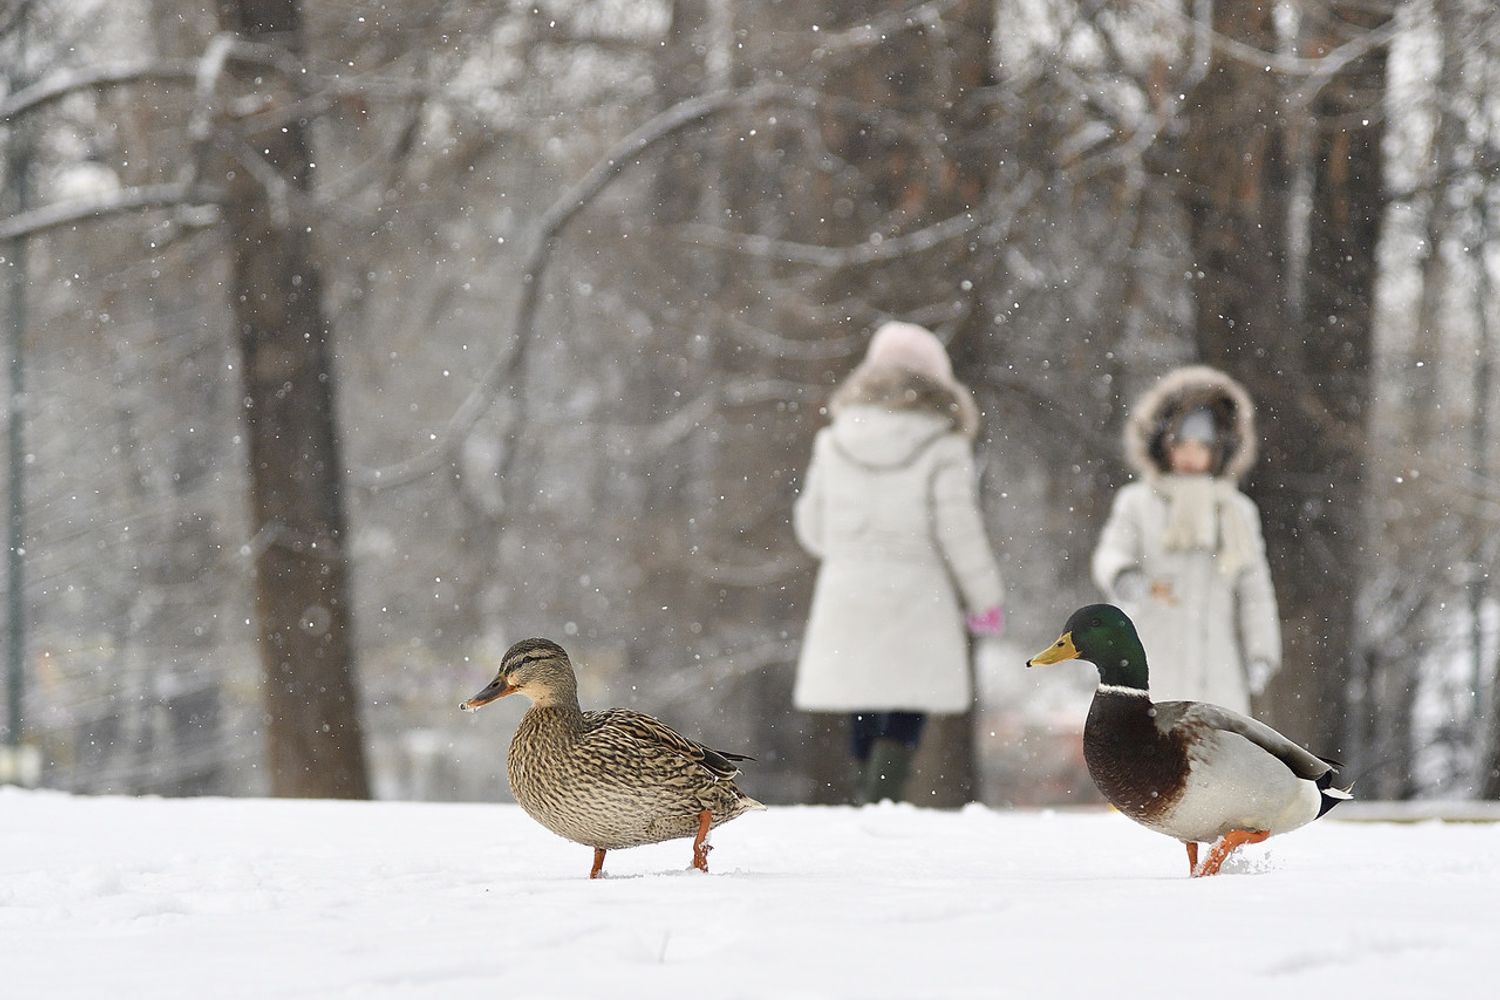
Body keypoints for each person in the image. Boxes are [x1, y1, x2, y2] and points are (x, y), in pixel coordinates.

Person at [792, 321, 1005, 804]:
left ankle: (865, 792)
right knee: (908, 694)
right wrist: (984, 598)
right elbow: (960, 531)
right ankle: (884, 794)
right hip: (917, 586)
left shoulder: (833, 440)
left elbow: (812, 527)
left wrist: (852, 551)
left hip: (847, 584)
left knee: (862, 691)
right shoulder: (945, 443)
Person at [1091, 365, 1280, 715]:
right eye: (1181, 443)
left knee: (1212, 760)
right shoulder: (1139, 502)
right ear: (1163, 445)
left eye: (1203, 445)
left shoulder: (1236, 513)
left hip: (1218, 673)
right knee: (1150, 758)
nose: (1191, 455)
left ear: (1220, 450)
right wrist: (1123, 575)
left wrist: (1261, 654)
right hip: (1152, 662)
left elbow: (1255, 592)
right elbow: (1111, 551)